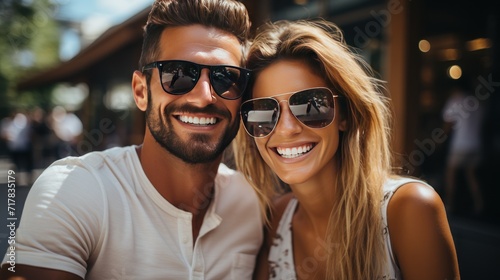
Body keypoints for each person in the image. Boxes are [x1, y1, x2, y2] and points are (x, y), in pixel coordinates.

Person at [1, 0, 262, 279]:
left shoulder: (251, 204)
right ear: (140, 92)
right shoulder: (75, 190)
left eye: (226, 78)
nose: (204, 97)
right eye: (178, 74)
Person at [234, 20, 460, 280]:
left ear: (345, 116)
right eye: (263, 111)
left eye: (311, 105)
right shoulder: (276, 219)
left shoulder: (409, 209)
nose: (286, 129)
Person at [442, 81, 485, 215]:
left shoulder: (455, 101)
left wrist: (439, 140)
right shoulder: (478, 102)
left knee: (451, 173)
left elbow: (448, 124)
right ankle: (479, 204)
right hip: (476, 144)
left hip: (460, 145)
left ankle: (449, 204)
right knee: (471, 175)